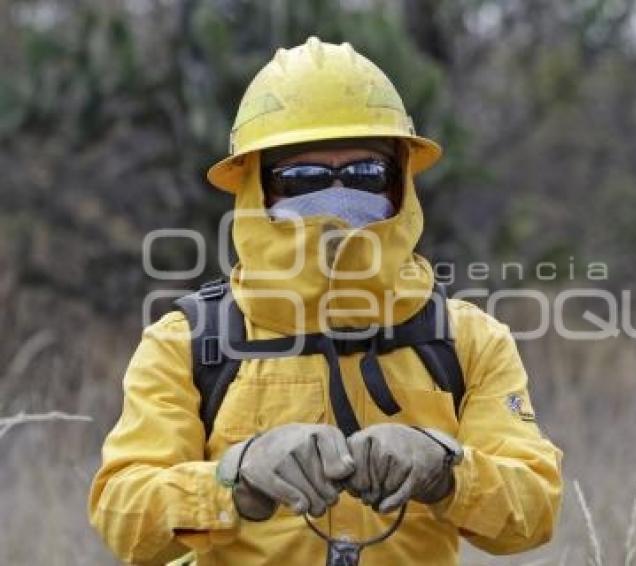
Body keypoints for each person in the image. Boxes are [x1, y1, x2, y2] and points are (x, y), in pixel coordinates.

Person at [88, 37, 563, 565]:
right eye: (303, 178)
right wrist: (234, 477)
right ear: (255, 189)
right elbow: (123, 516)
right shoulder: (187, 342)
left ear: (400, 183)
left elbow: (535, 509)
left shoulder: (467, 339)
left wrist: (445, 467)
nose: (337, 196)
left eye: (366, 174)